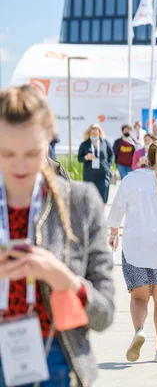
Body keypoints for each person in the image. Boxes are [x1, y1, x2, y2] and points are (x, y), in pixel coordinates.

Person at [0, 85, 115, 386]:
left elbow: (104, 314)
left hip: (59, 361)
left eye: (32, 152)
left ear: (49, 137)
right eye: (7, 153)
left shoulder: (80, 202)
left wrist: (65, 280)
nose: (21, 165)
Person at [107, 138, 157, 364]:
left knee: (139, 296)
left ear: (146, 158)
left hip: (134, 247)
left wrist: (113, 235)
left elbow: (116, 213)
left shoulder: (131, 180)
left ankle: (139, 330)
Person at [78, 123, 114, 204]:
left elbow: (111, 154)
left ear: (99, 133)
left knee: (103, 198)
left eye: (96, 133)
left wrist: (108, 165)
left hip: (103, 174)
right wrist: (86, 157)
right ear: (89, 133)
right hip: (89, 175)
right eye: (92, 133)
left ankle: (101, 215)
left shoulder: (104, 143)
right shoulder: (84, 144)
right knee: (88, 198)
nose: (94, 135)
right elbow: (79, 158)